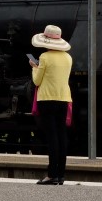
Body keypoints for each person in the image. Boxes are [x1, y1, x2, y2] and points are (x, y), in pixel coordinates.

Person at [29, 24, 73, 185]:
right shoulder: (68, 57)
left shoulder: (44, 57)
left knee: (52, 137)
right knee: (62, 136)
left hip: (47, 99)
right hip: (64, 98)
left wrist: (34, 67)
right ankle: (61, 175)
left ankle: (51, 175)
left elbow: (37, 81)